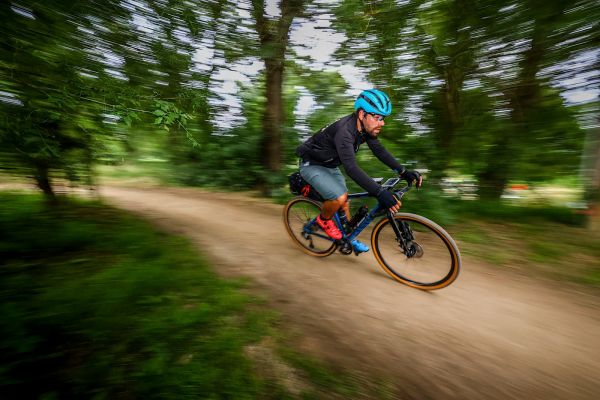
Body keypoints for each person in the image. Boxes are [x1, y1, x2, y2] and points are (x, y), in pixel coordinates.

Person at [295, 89, 422, 253]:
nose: (382, 123)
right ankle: (323, 220)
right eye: (377, 117)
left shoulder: (364, 129)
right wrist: (380, 192)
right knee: (338, 197)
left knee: (344, 199)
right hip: (311, 165)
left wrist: (403, 172)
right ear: (362, 114)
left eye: (383, 118)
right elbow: (352, 169)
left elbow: (380, 151)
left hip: (329, 165)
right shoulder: (345, 132)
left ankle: (347, 237)